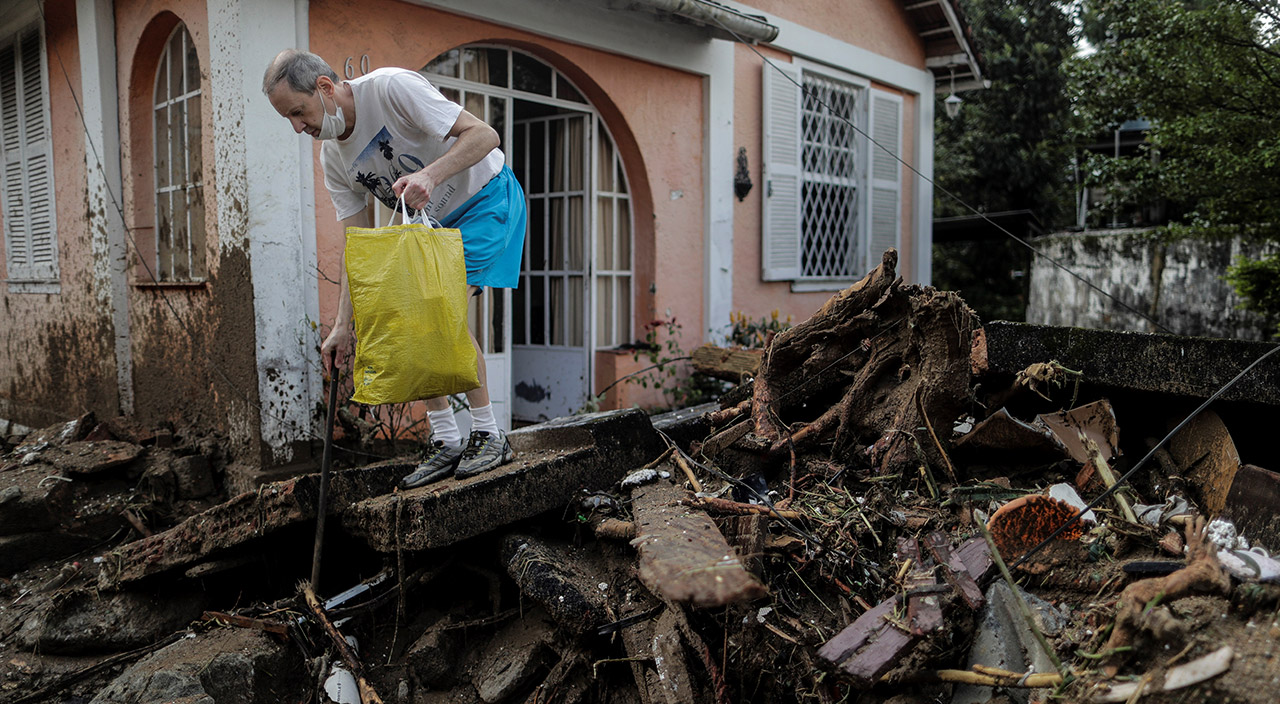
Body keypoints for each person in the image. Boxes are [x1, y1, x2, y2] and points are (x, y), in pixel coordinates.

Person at [263, 49, 526, 489]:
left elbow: (485, 135)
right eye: (287, 118)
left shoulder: (390, 89)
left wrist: (430, 175)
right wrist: (343, 325)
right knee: (402, 313)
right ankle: (447, 439)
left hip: (485, 199)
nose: (297, 127)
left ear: (324, 88)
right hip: (428, 227)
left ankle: (489, 433)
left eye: (298, 111)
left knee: (437, 310)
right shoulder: (334, 159)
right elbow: (358, 245)